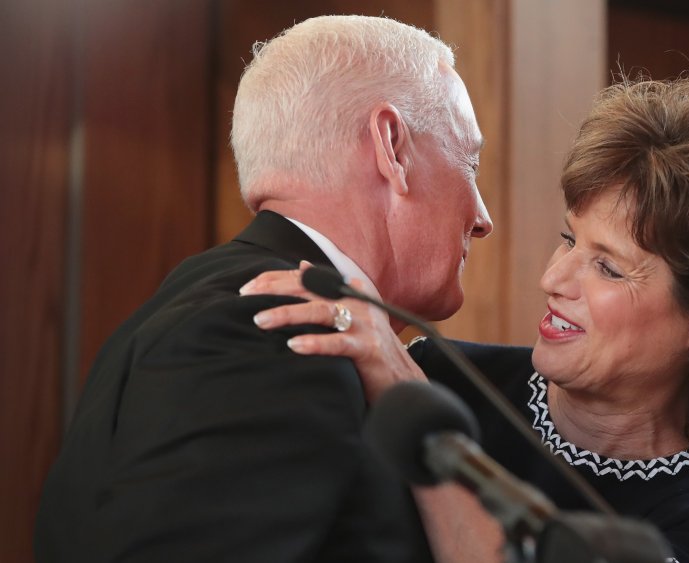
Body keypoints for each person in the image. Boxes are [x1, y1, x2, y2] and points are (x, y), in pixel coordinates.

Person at [242, 75, 689, 562]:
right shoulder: (437, 376)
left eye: (607, 267)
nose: (553, 280)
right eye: (567, 240)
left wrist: (409, 406)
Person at [34, 15, 492, 563]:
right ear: (392, 146)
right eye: (469, 161)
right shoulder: (275, 333)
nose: (483, 217)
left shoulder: (228, 305)